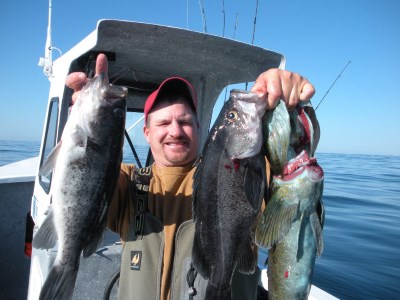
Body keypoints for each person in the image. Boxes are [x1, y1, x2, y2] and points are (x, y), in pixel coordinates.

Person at [66, 53, 315, 300]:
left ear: (199, 127)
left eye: (184, 121)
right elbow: (82, 180)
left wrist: (290, 102)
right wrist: (91, 121)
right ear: (147, 132)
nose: (175, 131)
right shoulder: (128, 183)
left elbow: (294, 162)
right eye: (164, 123)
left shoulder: (249, 171)